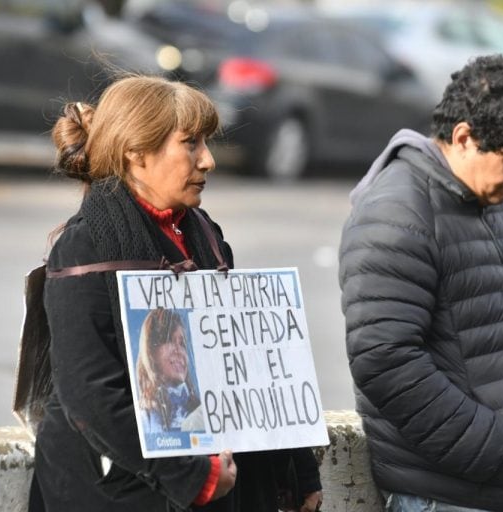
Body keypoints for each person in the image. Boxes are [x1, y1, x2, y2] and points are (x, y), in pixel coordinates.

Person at [29, 74, 323, 512]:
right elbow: (89, 394)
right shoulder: (84, 247)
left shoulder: (203, 234)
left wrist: (297, 470)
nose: (207, 161)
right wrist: (192, 477)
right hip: (108, 493)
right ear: (135, 152)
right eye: (190, 143)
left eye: (206, 144)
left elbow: (250, 368)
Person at [338, 55, 503, 512]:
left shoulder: (493, 199)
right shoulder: (397, 213)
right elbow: (384, 360)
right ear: (464, 137)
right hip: (460, 491)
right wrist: (491, 447)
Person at [136, 307, 204, 433]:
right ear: (151, 352)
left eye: (182, 343)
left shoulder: (204, 412)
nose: (178, 350)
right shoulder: (144, 418)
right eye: (169, 340)